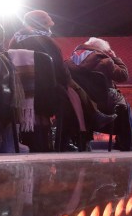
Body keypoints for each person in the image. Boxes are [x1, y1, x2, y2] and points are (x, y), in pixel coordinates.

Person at [8, 10, 115, 148]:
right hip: (46, 89)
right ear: (42, 24)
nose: (50, 27)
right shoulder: (46, 41)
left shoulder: (14, 40)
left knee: (73, 90)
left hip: (20, 88)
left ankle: (89, 121)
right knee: (72, 92)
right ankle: (81, 130)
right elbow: (59, 68)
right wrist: (68, 79)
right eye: (48, 24)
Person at [67, 37, 132, 151]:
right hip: (103, 104)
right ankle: (130, 144)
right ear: (100, 50)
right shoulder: (105, 61)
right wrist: (115, 57)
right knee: (125, 106)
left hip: (79, 103)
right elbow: (123, 76)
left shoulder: (69, 61)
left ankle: (84, 141)